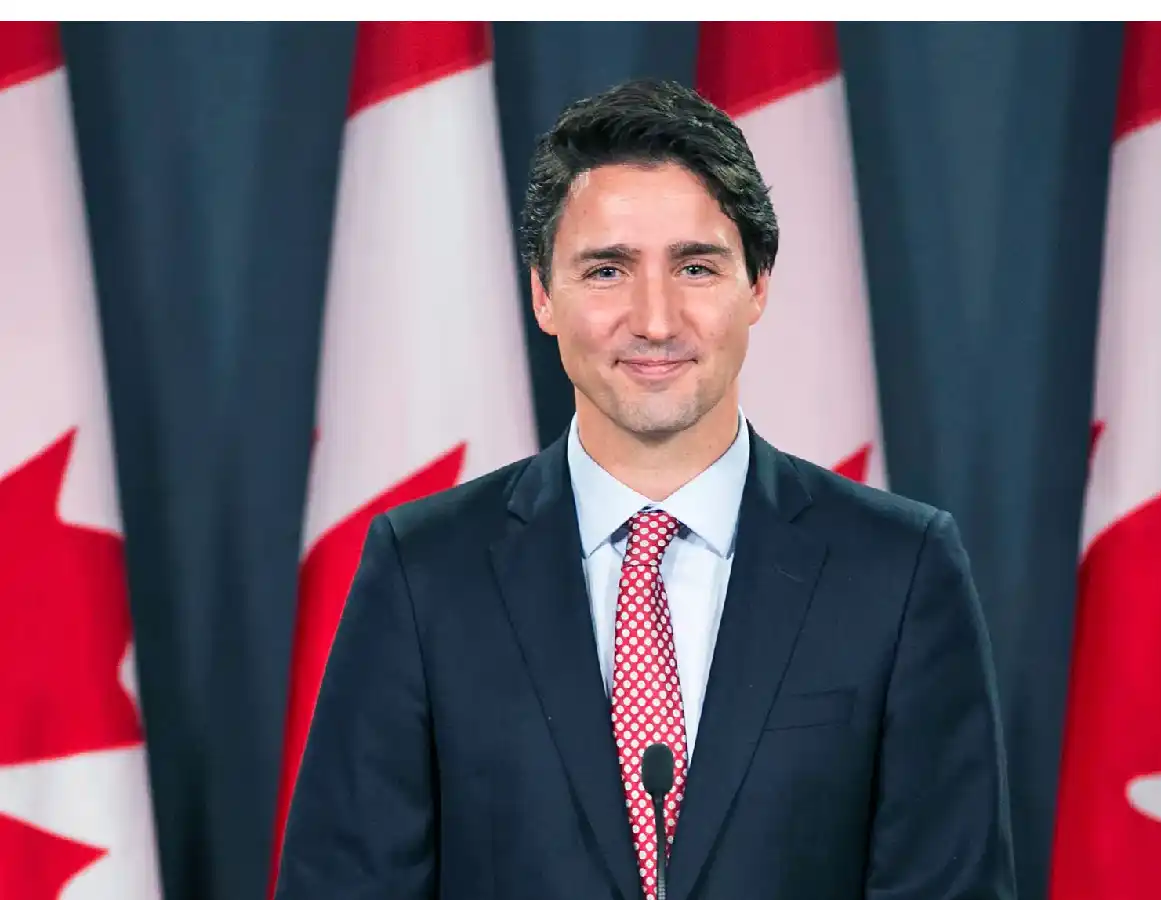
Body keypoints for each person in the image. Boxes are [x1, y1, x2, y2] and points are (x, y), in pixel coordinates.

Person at [274, 78, 1016, 900]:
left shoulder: (902, 571)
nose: (655, 320)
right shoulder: (422, 571)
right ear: (542, 295)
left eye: (696, 267)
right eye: (607, 270)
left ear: (757, 286)